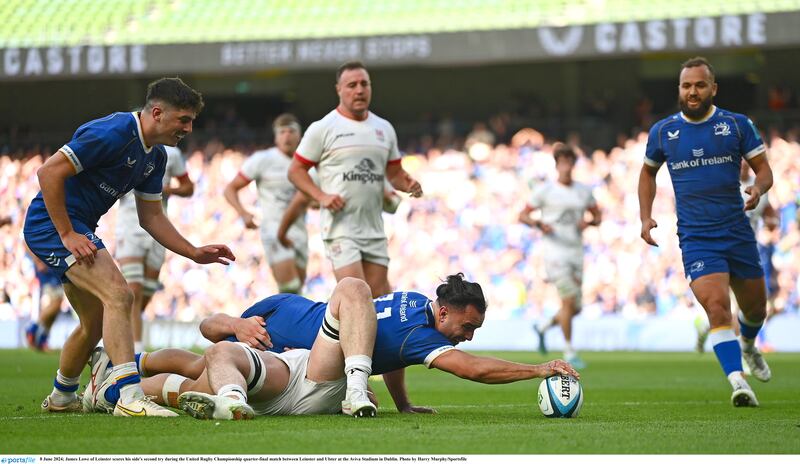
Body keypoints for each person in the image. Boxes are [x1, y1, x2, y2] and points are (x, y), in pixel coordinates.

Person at [23, 77, 235, 417]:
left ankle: (62, 396)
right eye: (183, 119)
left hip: (78, 227)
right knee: (120, 295)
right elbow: (49, 173)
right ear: (156, 112)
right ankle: (129, 396)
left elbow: (151, 217)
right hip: (52, 224)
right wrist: (66, 234)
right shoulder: (113, 132)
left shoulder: (157, 157)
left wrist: (193, 251)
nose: (189, 128)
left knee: (94, 321)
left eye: (191, 120)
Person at [130, 274, 579, 420]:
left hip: (302, 335)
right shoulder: (422, 332)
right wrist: (538, 369)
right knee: (204, 363)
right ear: (444, 313)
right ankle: (129, 373)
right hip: (293, 342)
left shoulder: (411, 305)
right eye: (467, 326)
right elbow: (474, 370)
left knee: (199, 368)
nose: (469, 336)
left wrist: (403, 405)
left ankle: (128, 372)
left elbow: (396, 353)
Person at [638, 57, 773, 407]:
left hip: (736, 232)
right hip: (697, 238)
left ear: (713, 88)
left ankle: (748, 344)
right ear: (679, 90)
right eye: (686, 86)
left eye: (699, 85)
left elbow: (764, 171)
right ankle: (737, 381)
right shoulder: (664, 132)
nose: (692, 91)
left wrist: (758, 189)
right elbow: (647, 173)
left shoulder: (737, 125)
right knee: (716, 307)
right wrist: (645, 216)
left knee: (757, 309)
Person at [286, 61, 423, 298]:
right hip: (341, 229)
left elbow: (394, 174)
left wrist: (408, 184)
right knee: (357, 296)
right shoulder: (323, 128)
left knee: (379, 301)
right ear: (339, 89)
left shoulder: (384, 128)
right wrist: (321, 196)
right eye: (352, 85)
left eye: (364, 84)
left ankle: (346, 332)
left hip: (373, 228)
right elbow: (295, 171)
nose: (359, 90)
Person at [519, 144, 601, 369]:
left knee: (575, 307)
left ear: (573, 164)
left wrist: (590, 222)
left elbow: (598, 215)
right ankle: (569, 351)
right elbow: (523, 215)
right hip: (555, 253)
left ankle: (543, 327)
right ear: (557, 165)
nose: (565, 166)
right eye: (561, 162)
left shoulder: (583, 191)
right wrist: (538, 223)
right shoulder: (545, 191)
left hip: (576, 251)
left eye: (569, 162)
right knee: (567, 300)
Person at [694, 160, 780, 353]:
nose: (742, 164)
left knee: (750, 306)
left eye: (744, 160)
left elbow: (770, 213)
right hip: (721, 251)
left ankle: (707, 327)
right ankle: (743, 353)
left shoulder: (757, 187)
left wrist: (772, 222)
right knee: (729, 307)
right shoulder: (722, 185)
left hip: (746, 253)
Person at [116, 145, 194, 353]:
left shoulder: (173, 154)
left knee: (145, 294)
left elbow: (189, 188)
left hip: (158, 227)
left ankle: (115, 333)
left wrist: (164, 190)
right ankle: (135, 354)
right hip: (129, 227)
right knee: (134, 290)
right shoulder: (128, 146)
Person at [223, 114, 309, 294]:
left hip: (300, 232)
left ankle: (287, 321)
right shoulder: (263, 159)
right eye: (282, 132)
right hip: (273, 230)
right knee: (290, 288)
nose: (287, 136)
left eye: (291, 131)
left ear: (299, 136)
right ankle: (282, 321)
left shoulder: (308, 164)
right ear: (276, 137)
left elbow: (311, 198)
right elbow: (230, 189)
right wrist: (243, 213)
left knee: (297, 291)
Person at [24, 249, 65, 351]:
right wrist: (37, 260)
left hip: (55, 268)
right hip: (47, 271)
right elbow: (25, 241)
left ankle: (42, 339)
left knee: (55, 309)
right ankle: (33, 329)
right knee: (56, 303)